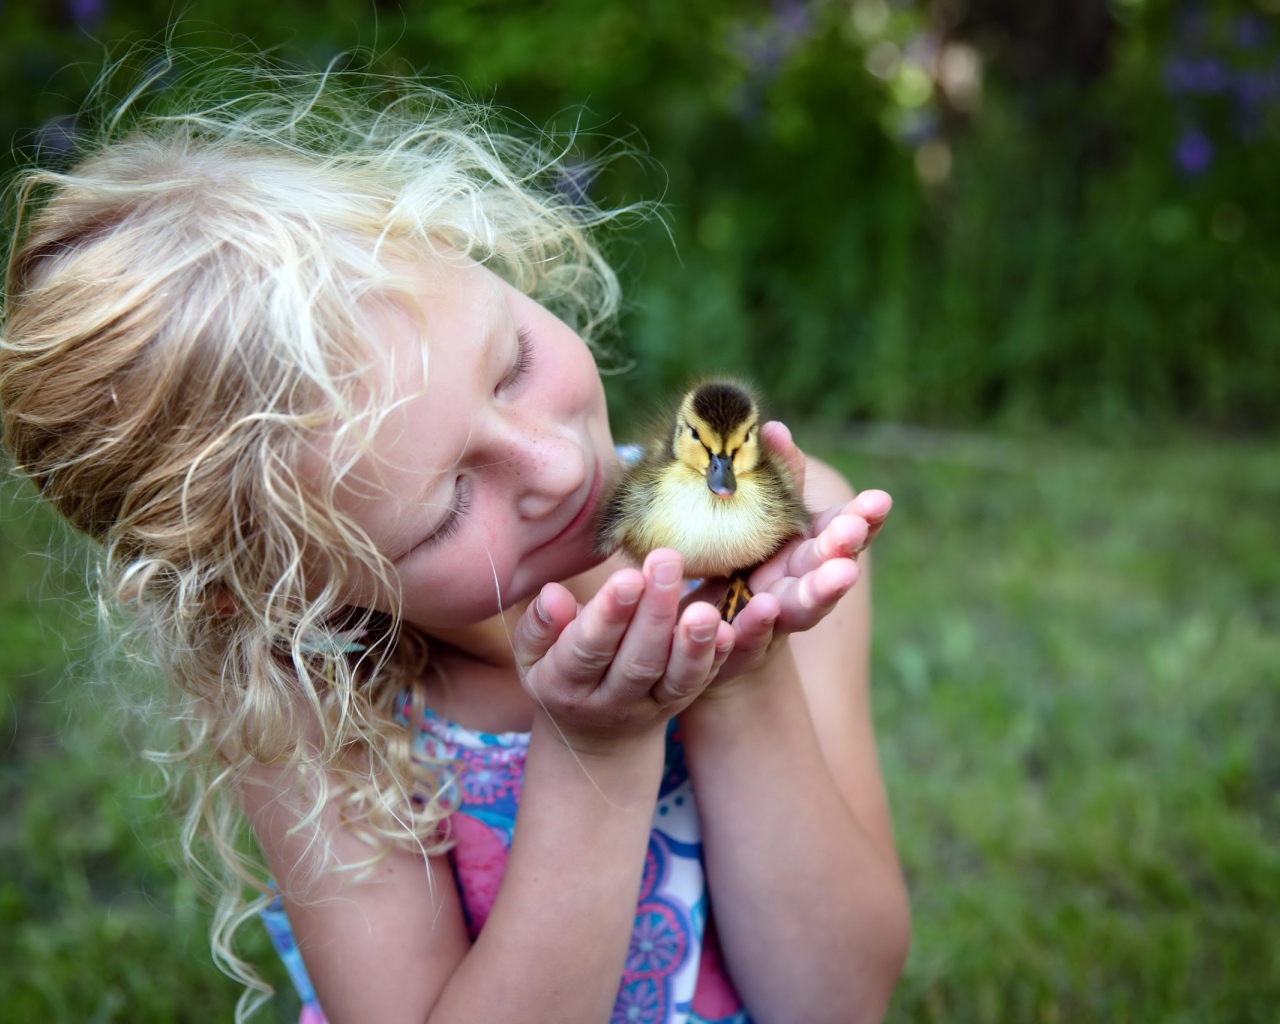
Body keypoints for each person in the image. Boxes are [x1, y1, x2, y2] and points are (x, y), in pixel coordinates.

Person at [0, 59, 909, 1024]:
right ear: (280, 593)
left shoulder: (780, 533)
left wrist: (739, 676)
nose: (553, 466)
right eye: (445, 509)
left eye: (511, 365)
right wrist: (596, 753)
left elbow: (837, 1001)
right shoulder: (313, 709)